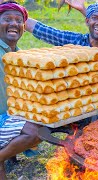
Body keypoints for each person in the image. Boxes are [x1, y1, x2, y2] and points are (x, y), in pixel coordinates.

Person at [26, 3, 98, 121]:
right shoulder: (75, 41)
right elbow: (45, 31)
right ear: (87, 21)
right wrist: (16, 15)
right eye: (94, 18)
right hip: (75, 103)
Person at [0, 1, 41, 179]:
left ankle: (9, 153)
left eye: (19, 20)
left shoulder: (19, 54)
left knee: (46, 121)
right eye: (7, 19)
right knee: (36, 132)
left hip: (10, 113)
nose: (14, 24)